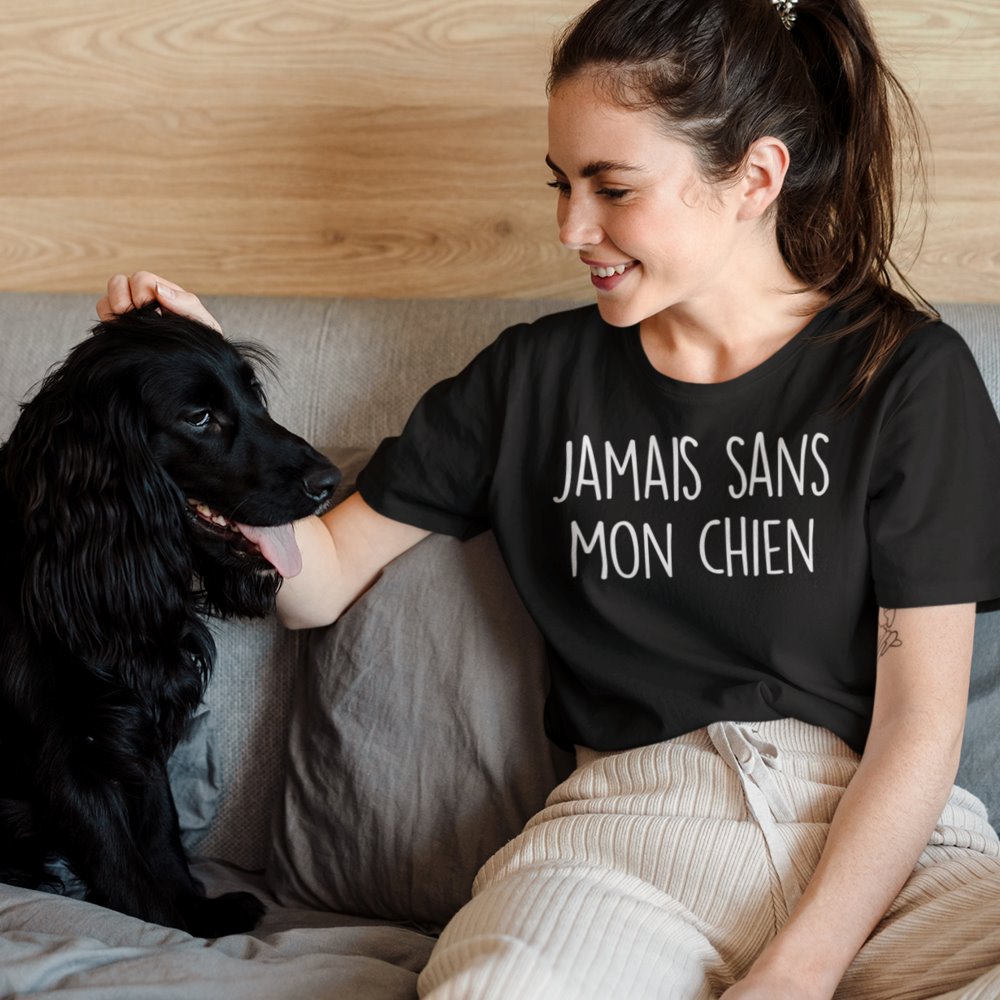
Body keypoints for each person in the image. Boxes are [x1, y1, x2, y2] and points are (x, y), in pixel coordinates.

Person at [99, 0, 1000, 996]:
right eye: (561, 185)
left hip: (882, 847)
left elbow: (921, 721)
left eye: (612, 187)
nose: (573, 227)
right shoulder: (530, 379)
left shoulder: (908, 375)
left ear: (754, 176)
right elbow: (317, 584)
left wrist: (799, 969)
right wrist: (211, 405)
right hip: (623, 839)